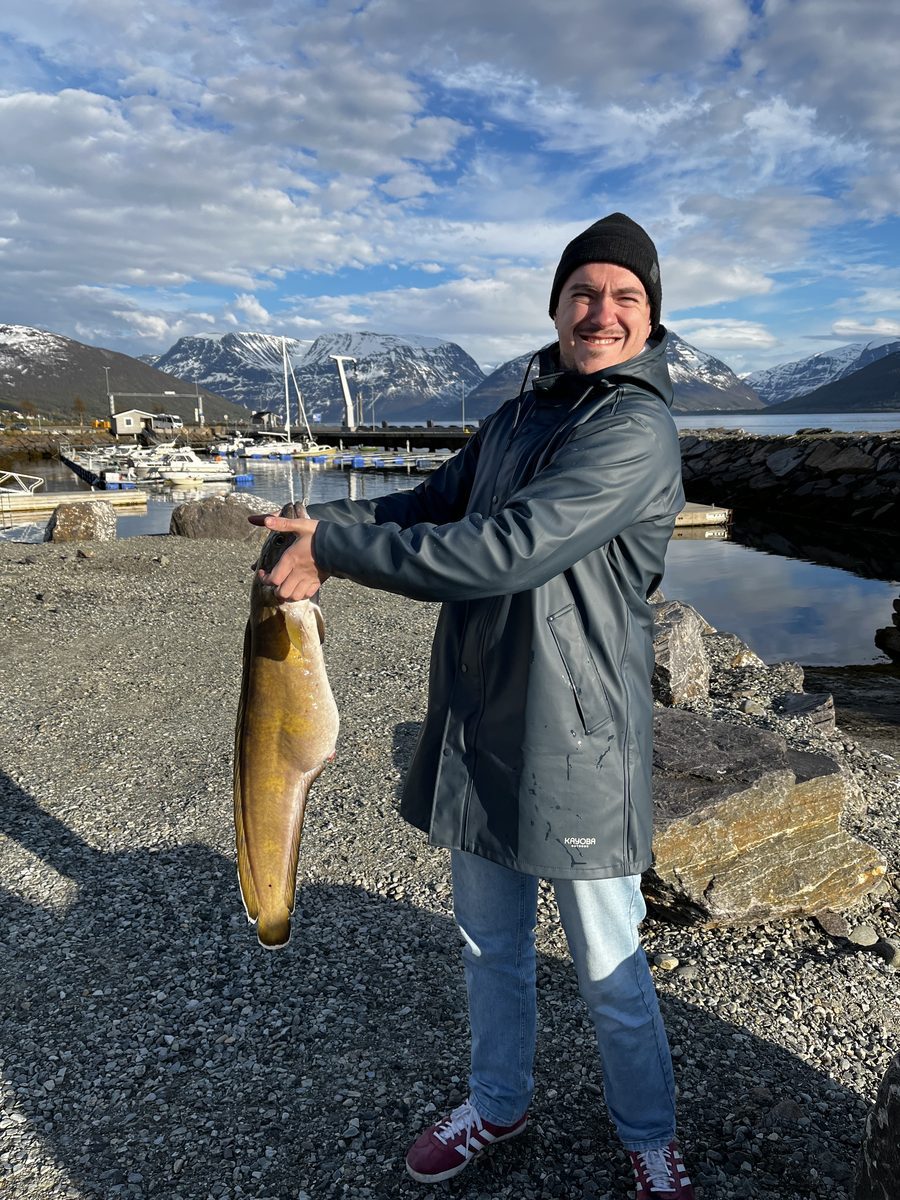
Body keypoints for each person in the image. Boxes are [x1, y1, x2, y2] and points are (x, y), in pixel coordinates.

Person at [251, 213, 694, 1199]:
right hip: (481, 717)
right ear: (557, 307)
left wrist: (335, 553)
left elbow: (508, 549)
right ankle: (498, 1102)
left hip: (578, 738)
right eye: (584, 292)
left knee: (610, 967)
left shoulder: (634, 430)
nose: (603, 311)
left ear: (652, 318)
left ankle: (651, 1138)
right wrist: (313, 524)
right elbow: (431, 506)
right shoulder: (517, 418)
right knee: (491, 945)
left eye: (626, 297)